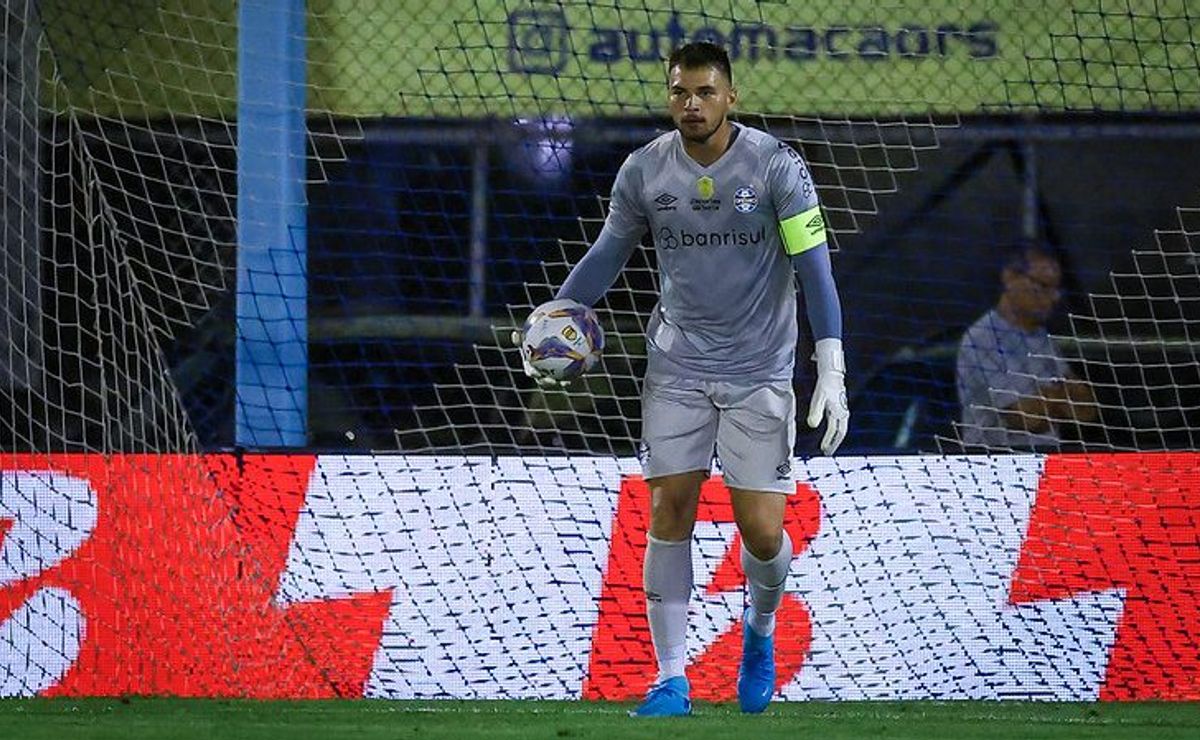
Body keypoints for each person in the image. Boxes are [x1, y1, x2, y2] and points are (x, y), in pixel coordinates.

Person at [515, 42, 848, 716]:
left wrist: (832, 368)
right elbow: (609, 253)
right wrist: (554, 314)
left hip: (760, 370)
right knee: (669, 511)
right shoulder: (644, 171)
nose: (690, 104)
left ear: (731, 97)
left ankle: (759, 631)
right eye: (679, 93)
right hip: (677, 366)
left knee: (760, 533)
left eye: (703, 92)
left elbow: (815, 269)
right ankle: (671, 680)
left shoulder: (779, 168)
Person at [956, 243, 1098, 450]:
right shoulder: (982, 338)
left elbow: (1087, 411)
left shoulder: (1042, 338)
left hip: (1044, 462)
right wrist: (1061, 397)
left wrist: (1048, 398)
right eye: (1043, 285)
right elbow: (1027, 419)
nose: (1054, 297)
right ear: (1010, 278)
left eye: (1056, 289)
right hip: (993, 466)